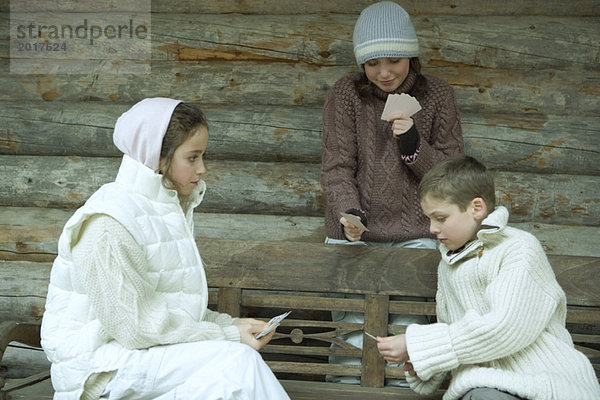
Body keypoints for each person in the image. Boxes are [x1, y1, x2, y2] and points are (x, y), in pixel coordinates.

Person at [40, 98, 290, 400]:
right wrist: (227, 336)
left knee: (227, 385)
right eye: (192, 157)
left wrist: (230, 324)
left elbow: (170, 308)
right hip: (99, 372)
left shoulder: (162, 211)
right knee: (239, 363)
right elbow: (136, 327)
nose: (202, 168)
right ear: (158, 156)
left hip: (137, 357)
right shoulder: (109, 223)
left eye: (202, 156)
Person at [373, 155, 600, 400]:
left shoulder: (519, 249)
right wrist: (423, 364)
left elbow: (503, 328)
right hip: (483, 385)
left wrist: (416, 344)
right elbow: (453, 332)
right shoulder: (449, 265)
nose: (432, 229)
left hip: (546, 382)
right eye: (429, 219)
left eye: (440, 218)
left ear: (476, 208)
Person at [320, 1, 463, 384]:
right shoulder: (347, 93)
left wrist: (413, 143)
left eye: (394, 61)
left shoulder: (437, 95)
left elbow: (452, 180)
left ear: (411, 56)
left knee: (404, 340)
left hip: (414, 237)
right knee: (351, 344)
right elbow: (336, 166)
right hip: (355, 236)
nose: (384, 73)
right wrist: (349, 213)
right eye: (372, 64)